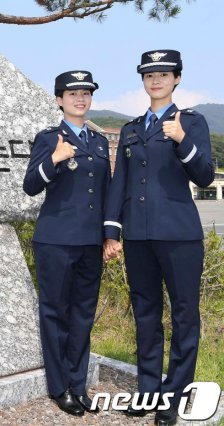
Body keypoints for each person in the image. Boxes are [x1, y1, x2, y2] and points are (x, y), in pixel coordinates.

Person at [103, 50, 215, 426]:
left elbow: (203, 175)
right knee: (146, 314)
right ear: (143, 80)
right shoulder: (132, 129)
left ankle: (175, 396)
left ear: (177, 79)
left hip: (180, 236)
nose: (156, 80)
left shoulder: (192, 122)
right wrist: (112, 231)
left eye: (164, 74)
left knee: (185, 315)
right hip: (137, 237)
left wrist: (183, 140)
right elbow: (120, 183)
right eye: (149, 74)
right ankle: (148, 390)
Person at [23, 71, 110, 417]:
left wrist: (109, 235)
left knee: (83, 316)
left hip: (90, 244)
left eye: (86, 93)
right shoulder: (49, 138)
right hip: (56, 241)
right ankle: (59, 388)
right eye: (72, 93)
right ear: (59, 100)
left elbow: (105, 193)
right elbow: (30, 185)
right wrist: (54, 159)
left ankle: (78, 383)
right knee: (55, 314)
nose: (80, 99)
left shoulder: (99, 141)